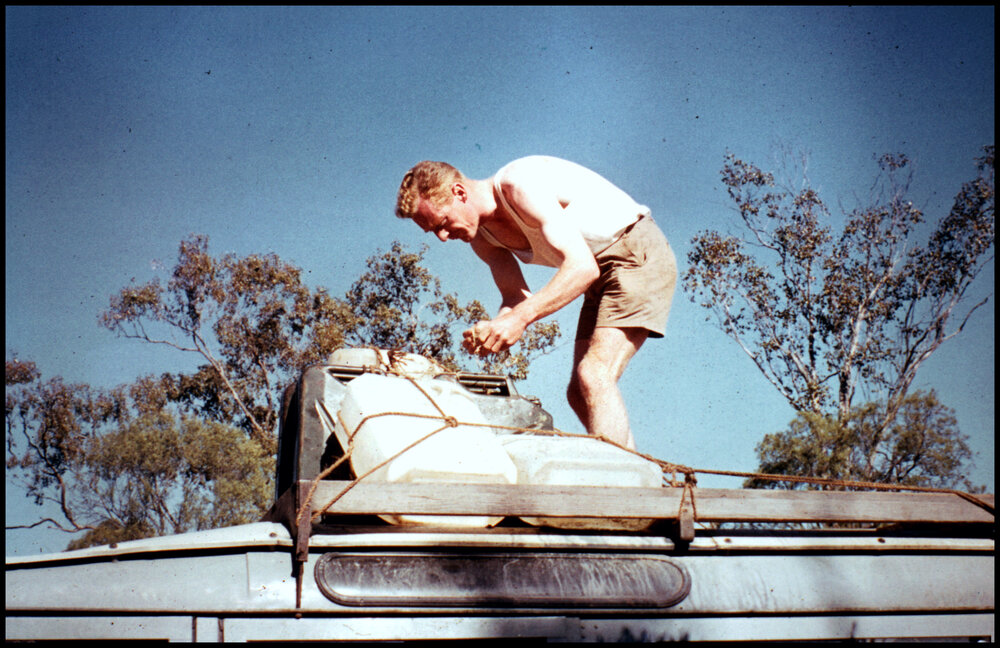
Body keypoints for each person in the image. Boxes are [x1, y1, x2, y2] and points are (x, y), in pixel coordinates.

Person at [395, 155, 676, 450]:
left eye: (442, 222)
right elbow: (515, 297)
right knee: (579, 394)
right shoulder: (481, 238)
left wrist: (518, 319)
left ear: (459, 192)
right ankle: (636, 471)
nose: (442, 237)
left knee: (594, 375)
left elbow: (582, 268)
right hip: (599, 274)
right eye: (433, 231)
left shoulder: (518, 186)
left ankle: (618, 477)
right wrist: (494, 328)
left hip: (634, 252)